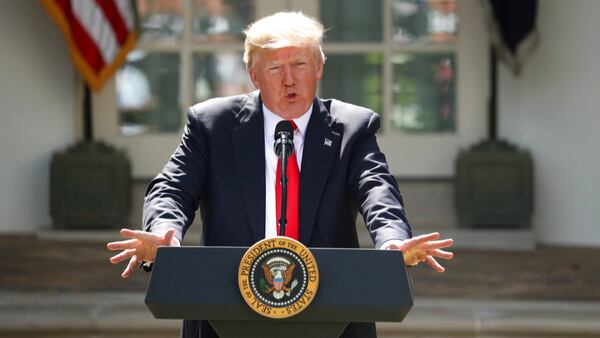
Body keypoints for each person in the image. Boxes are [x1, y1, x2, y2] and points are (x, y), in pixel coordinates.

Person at [107, 11, 454, 338]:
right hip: (225, 311)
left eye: (300, 64)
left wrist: (392, 242)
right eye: (275, 68)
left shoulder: (352, 127)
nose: (290, 79)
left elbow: (377, 190)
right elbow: (173, 187)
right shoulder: (212, 124)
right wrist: (165, 232)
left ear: (319, 67)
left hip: (330, 313)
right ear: (254, 76)